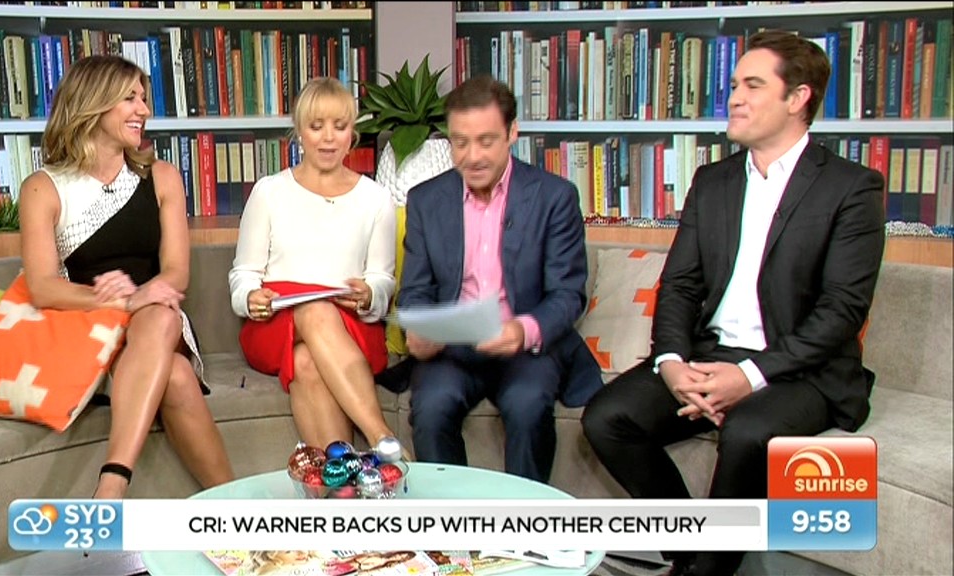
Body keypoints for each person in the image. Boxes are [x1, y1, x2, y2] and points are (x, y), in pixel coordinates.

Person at [582, 30, 886, 576]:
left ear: (798, 99)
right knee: (608, 417)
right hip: (711, 352)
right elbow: (680, 285)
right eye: (733, 85)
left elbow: (841, 311)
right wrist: (671, 361)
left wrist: (748, 376)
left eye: (752, 85)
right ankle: (692, 552)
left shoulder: (852, 187)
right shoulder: (713, 181)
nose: (735, 98)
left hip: (801, 371)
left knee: (749, 432)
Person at [18, 55, 234, 499]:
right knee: (176, 376)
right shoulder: (43, 187)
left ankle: (112, 483)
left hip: (158, 319)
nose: (144, 110)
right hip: (89, 331)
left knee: (162, 315)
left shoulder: (162, 177)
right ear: (94, 104)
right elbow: (41, 287)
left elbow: (175, 274)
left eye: (143, 98)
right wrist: (118, 301)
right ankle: (233, 507)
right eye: (130, 99)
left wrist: (141, 297)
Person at [397, 74, 602, 483]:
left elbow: (567, 295)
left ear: (512, 133)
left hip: (525, 348)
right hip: (453, 350)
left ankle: (523, 521)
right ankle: (451, 520)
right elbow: (416, 290)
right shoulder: (425, 200)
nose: (472, 156)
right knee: (432, 408)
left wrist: (522, 330)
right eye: (460, 142)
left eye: (486, 141)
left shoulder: (554, 196)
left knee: (528, 405)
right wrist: (418, 329)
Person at [229, 77, 400, 451]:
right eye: (316, 126)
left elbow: (382, 280)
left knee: (306, 361)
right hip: (275, 324)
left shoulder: (376, 198)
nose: (328, 138)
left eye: (339, 126)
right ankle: (384, 440)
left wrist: (370, 295)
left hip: (351, 326)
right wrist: (250, 298)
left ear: (352, 134)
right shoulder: (269, 192)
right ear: (299, 132)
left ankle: (344, 478)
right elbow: (243, 275)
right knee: (314, 310)